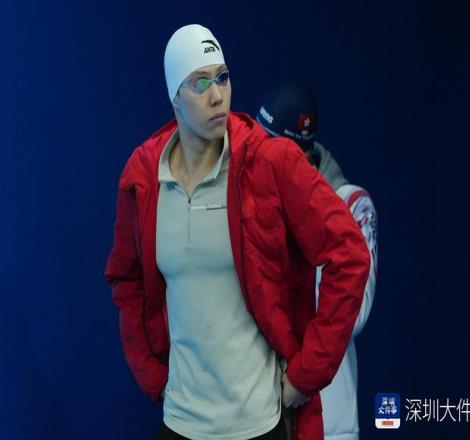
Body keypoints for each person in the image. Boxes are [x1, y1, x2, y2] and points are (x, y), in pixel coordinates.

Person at [105, 24, 370, 440]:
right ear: (174, 95)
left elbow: (350, 254)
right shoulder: (143, 178)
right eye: (200, 83)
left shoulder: (269, 163)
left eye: (223, 78)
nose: (217, 95)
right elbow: (127, 280)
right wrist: (153, 377)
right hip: (180, 422)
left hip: (258, 424)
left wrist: (307, 374)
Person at [256, 80, 378, 440]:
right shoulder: (249, 200)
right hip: (253, 412)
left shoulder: (351, 204)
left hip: (327, 416)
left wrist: (301, 219)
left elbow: (354, 310)